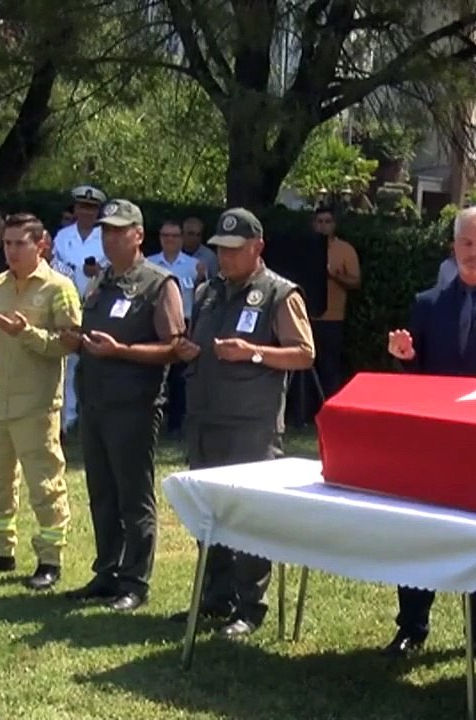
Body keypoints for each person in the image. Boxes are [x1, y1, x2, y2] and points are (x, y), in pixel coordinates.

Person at [384, 205, 476, 665]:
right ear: (453, 245)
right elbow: (416, 375)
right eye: (466, 243)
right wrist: (405, 357)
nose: (473, 253)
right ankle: (412, 626)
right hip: (433, 444)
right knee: (420, 535)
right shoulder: (427, 303)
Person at [170, 207, 316, 639]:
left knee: (249, 517)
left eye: (235, 250)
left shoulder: (279, 294)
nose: (226, 257)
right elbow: (199, 340)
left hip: (251, 424)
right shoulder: (208, 291)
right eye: (221, 249)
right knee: (208, 513)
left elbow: (304, 353)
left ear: (258, 248)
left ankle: (250, 606)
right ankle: (215, 596)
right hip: (206, 417)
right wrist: (186, 351)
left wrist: (253, 352)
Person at [61, 200, 184, 611]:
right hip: (96, 401)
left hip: (133, 403)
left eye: (118, 231)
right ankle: (107, 572)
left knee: (133, 495)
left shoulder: (157, 283)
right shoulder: (101, 280)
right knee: (102, 493)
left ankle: (135, 580)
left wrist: (123, 351)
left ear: (138, 235)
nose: (110, 238)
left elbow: (174, 347)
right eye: (105, 231)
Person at [0, 214, 80, 591]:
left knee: (44, 482)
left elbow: (68, 344)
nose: (10, 251)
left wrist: (26, 332)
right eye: (7, 244)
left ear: (40, 245)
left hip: (37, 401)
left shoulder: (59, 287)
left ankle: (49, 557)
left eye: (19, 244)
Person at [52, 184, 107, 436]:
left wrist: (98, 273)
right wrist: (74, 275)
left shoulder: (105, 235)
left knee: (97, 359)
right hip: (69, 303)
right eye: (82, 207)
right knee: (69, 361)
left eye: (92, 208)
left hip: (98, 304)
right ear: (75, 209)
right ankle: (68, 415)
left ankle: (95, 413)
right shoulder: (63, 237)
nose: (87, 213)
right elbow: (55, 265)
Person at [146, 220, 200, 436]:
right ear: (160, 238)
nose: (170, 240)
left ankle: (176, 425)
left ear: (181, 239)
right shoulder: (149, 264)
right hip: (155, 326)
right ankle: (152, 422)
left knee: (179, 380)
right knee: (155, 376)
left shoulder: (194, 266)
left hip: (184, 325)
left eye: (174, 236)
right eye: (165, 235)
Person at [312, 206, 360, 402]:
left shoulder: (345, 250)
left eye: (327, 222)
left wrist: (334, 276)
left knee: (330, 367)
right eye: (319, 222)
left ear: (334, 225)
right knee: (304, 370)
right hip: (307, 318)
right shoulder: (303, 248)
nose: (323, 226)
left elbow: (355, 282)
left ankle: (331, 407)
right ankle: (302, 415)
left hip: (333, 318)